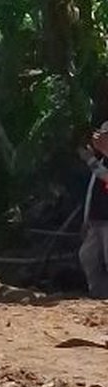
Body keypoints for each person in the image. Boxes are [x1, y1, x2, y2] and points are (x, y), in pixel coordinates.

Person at [80, 124, 108, 298]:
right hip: (96, 221)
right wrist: (86, 220)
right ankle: (99, 296)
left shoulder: (99, 162)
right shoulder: (102, 160)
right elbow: (91, 193)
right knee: (87, 257)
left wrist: (90, 159)